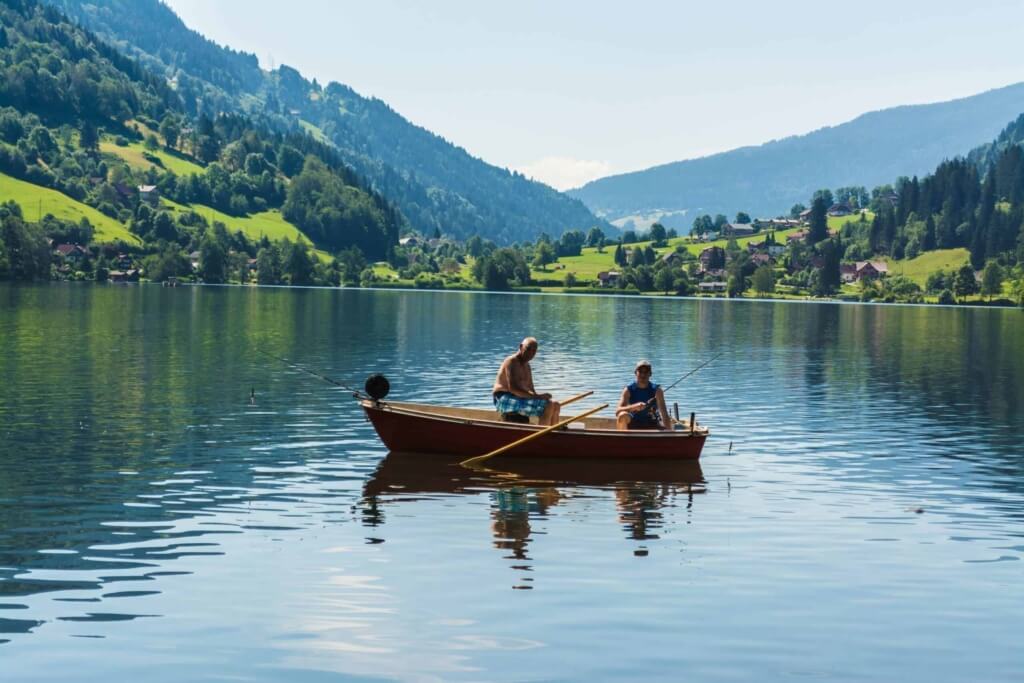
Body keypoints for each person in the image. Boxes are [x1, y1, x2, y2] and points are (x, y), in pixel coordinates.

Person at [492, 337, 561, 425]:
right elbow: (513, 389)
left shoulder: (527, 366)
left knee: (555, 404)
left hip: (518, 397)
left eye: (534, 351)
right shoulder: (512, 361)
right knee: (547, 406)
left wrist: (540, 397)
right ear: (521, 347)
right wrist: (538, 397)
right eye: (528, 349)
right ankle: (543, 435)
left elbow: (531, 390)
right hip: (503, 398)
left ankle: (553, 434)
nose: (531, 353)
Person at [616, 359, 671, 430]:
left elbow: (664, 414)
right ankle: (622, 439)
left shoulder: (657, 390)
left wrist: (670, 433)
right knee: (622, 415)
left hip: (652, 424)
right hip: (633, 424)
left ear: (650, 374)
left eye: (646, 372)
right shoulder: (628, 390)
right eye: (640, 372)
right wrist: (635, 407)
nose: (643, 374)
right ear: (635, 373)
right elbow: (617, 411)